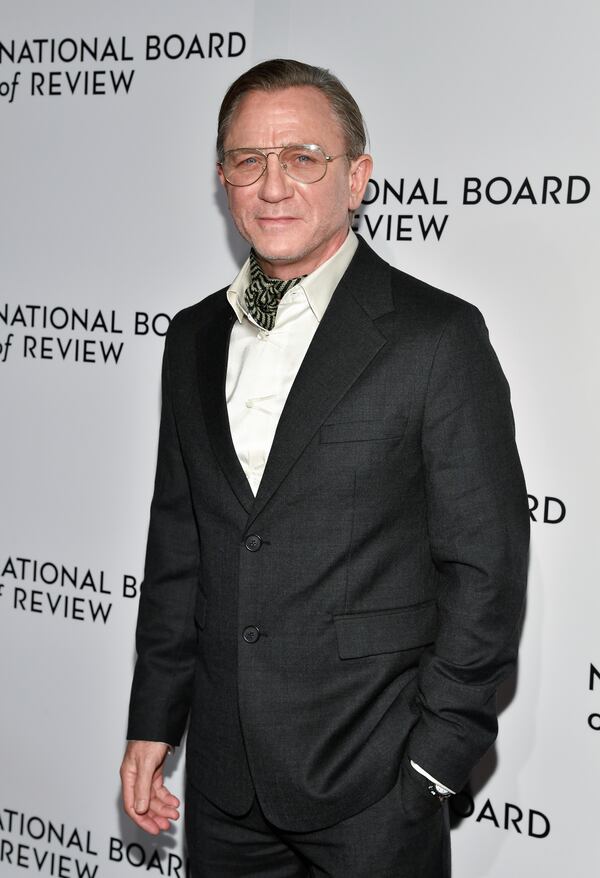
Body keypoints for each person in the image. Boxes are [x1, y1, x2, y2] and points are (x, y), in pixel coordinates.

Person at [120, 58, 529, 877]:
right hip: (226, 788)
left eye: (303, 158)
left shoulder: (435, 337)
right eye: (248, 160)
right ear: (223, 179)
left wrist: (436, 759)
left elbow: (485, 565)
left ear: (357, 178)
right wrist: (154, 721)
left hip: (376, 783)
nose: (273, 186)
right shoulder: (191, 338)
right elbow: (181, 545)